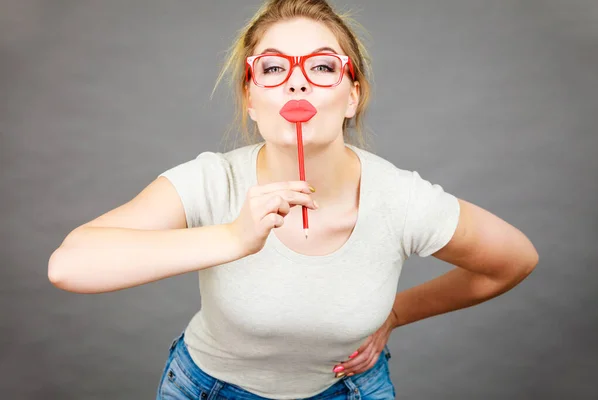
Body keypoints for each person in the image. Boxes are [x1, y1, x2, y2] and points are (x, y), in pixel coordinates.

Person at [47, 0, 539, 399]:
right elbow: (70, 265)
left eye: (323, 66)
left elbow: (513, 260)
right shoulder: (210, 181)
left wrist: (396, 313)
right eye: (274, 68)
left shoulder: (400, 199)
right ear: (250, 98)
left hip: (349, 390)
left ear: (352, 96)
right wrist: (232, 237)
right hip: (206, 389)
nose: (297, 81)